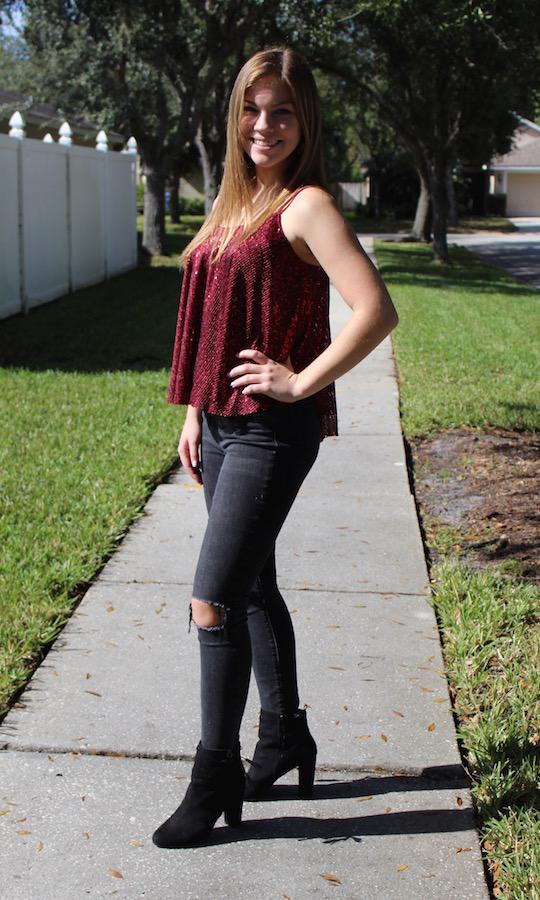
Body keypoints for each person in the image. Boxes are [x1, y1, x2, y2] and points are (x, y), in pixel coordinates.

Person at [152, 47, 398, 849]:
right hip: (220, 422)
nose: (265, 124)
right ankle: (283, 735)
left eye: (283, 110)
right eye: (253, 108)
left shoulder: (305, 205)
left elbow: (374, 310)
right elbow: (213, 317)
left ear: (306, 121)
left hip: (268, 430)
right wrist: (193, 410)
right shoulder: (233, 205)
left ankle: (213, 771)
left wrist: (301, 382)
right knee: (253, 587)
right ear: (236, 115)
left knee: (213, 597)